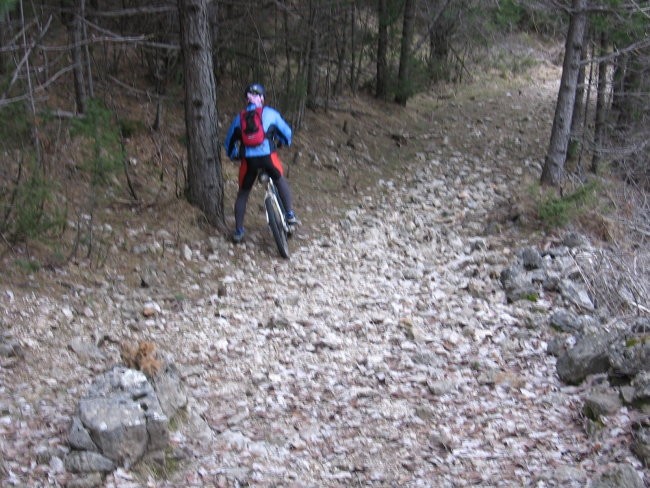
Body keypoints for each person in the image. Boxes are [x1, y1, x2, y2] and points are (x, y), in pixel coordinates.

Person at [224, 82, 297, 243]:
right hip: (267, 156)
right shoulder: (270, 113)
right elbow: (287, 133)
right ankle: (290, 215)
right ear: (262, 98)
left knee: (243, 193)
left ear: (247, 100)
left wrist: (234, 154)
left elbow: (228, 143)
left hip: (248, 160)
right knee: (279, 179)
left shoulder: (239, 118)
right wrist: (284, 142)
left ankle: (238, 231)